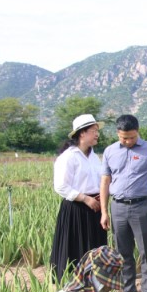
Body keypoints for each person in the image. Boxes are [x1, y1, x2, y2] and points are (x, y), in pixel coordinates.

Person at [100, 115, 147, 292]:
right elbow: (105, 181)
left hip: (141, 206)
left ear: (138, 131)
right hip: (117, 207)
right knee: (123, 253)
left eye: (131, 138)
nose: (127, 142)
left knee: (146, 251)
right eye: (123, 138)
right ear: (118, 133)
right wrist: (104, 211)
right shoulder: (109, 151)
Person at [50, 114, 107, 283]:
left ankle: (93, 284)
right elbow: (60, 185)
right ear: (82, 133)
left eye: (97, 131)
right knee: (75, 247)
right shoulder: (68, 157)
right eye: (93, 131)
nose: (97, 134)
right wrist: (85, 199)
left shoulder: (94, 157)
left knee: (94, 247)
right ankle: (72, 284)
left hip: (95, 207)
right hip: (77, 208)